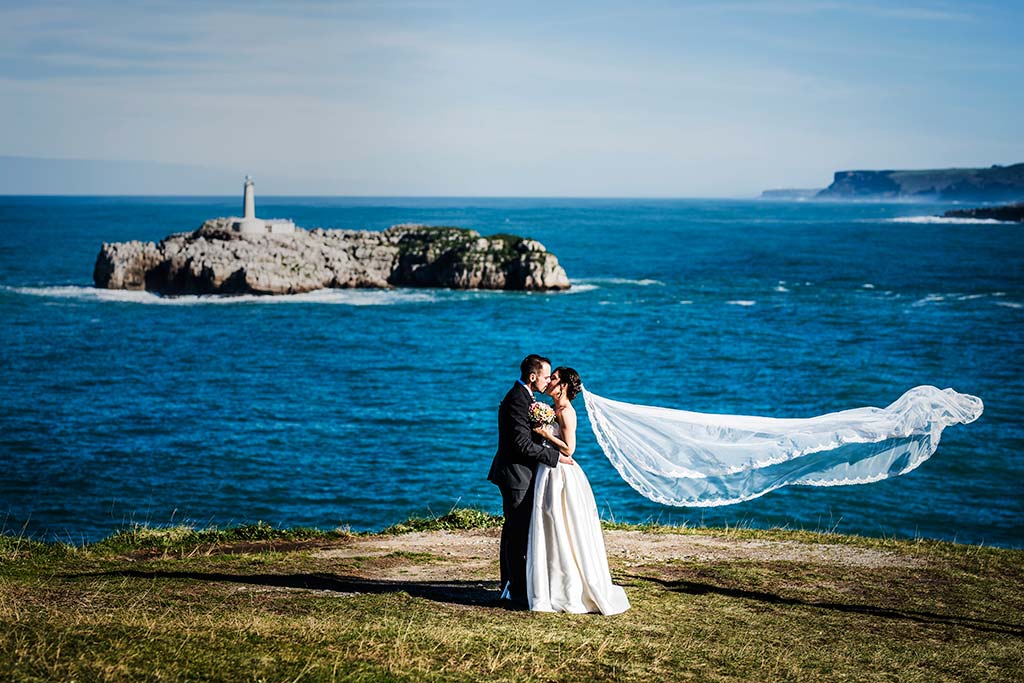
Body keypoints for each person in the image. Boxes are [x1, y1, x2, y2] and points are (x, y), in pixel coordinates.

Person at [526, 367, 630, 615]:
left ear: (562, 385)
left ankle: (569, 589)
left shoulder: (566, 412)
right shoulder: (553, 410)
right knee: (549, 523)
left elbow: (569, 449)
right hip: (548, 470)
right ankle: (551, 585)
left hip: (560, 473)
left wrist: (543, 433)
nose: (549, 381)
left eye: (554, 378)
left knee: (561, 522)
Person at [487, 354, 574, 605]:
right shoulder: (518, 399)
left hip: (521, 472)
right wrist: (555, 458)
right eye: (546, 376)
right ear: (533, 376)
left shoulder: (527, 397)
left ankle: (510, 585)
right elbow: (522, 444)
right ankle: (515, 590)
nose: (548, 382)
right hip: (515, 474)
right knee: (517, 532)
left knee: (514, 530)